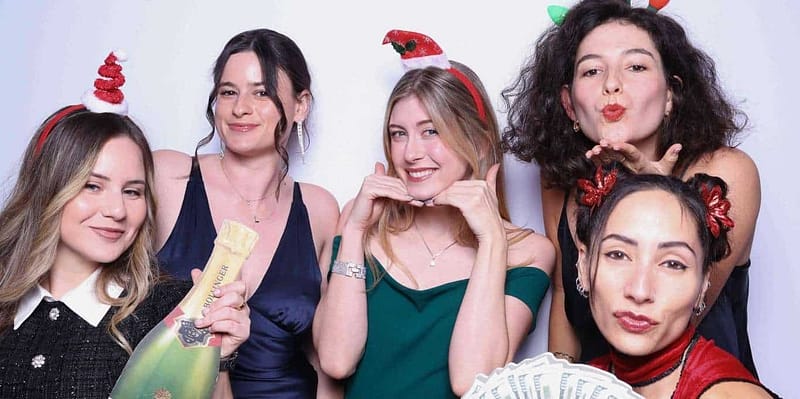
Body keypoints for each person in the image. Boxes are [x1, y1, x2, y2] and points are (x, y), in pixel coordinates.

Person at [501, 0, 760, 374]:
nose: (611, 84)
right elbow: (564, 298)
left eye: (636, 66)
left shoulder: (726, 172)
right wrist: (558, 384)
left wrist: (649, 189)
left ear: (671, 93)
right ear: (569, 104)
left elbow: (673, 324)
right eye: (591, 71)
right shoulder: (561, 180)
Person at [313, 30, 555, 398]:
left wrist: (491, 239)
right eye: (398, 134)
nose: (411, 153)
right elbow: (335, 361)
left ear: (478, 140)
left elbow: (471, 381)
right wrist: (356, 231)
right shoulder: (359, 222)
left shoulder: (528, 251)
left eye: (431, 131)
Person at [0, 51, 249, 399]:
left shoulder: (171, 311)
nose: (117, 210)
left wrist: (216, 359)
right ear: (49, 189)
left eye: (132, 191)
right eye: (92, 185)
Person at [154, 29, 340, 398]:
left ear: (300, 105)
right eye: (228, 92)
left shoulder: (319, 209)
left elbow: (322, 359)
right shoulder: (168, 178)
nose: (241, 107)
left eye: (261, 92)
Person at [572, 167, 775, 398]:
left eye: (672, 264)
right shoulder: (584, 383)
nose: (640, 291)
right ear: (583, 264)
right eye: (618, 255)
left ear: (703, 283)